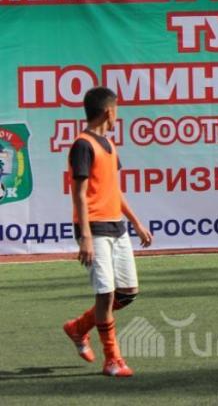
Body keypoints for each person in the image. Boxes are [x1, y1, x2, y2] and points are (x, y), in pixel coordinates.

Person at [62, 86, 153, 377]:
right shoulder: (83, 144)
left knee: (127, 293)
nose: (117, 116)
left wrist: (135, 222)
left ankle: (78, 328)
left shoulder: (110, 145)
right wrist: (86, 236)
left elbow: (114, 189)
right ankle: (112, 359)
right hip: (95, 228)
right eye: (117, 111)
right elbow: (79, 193)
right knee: (105, 294)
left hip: (117, 226)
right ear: (108, 112)